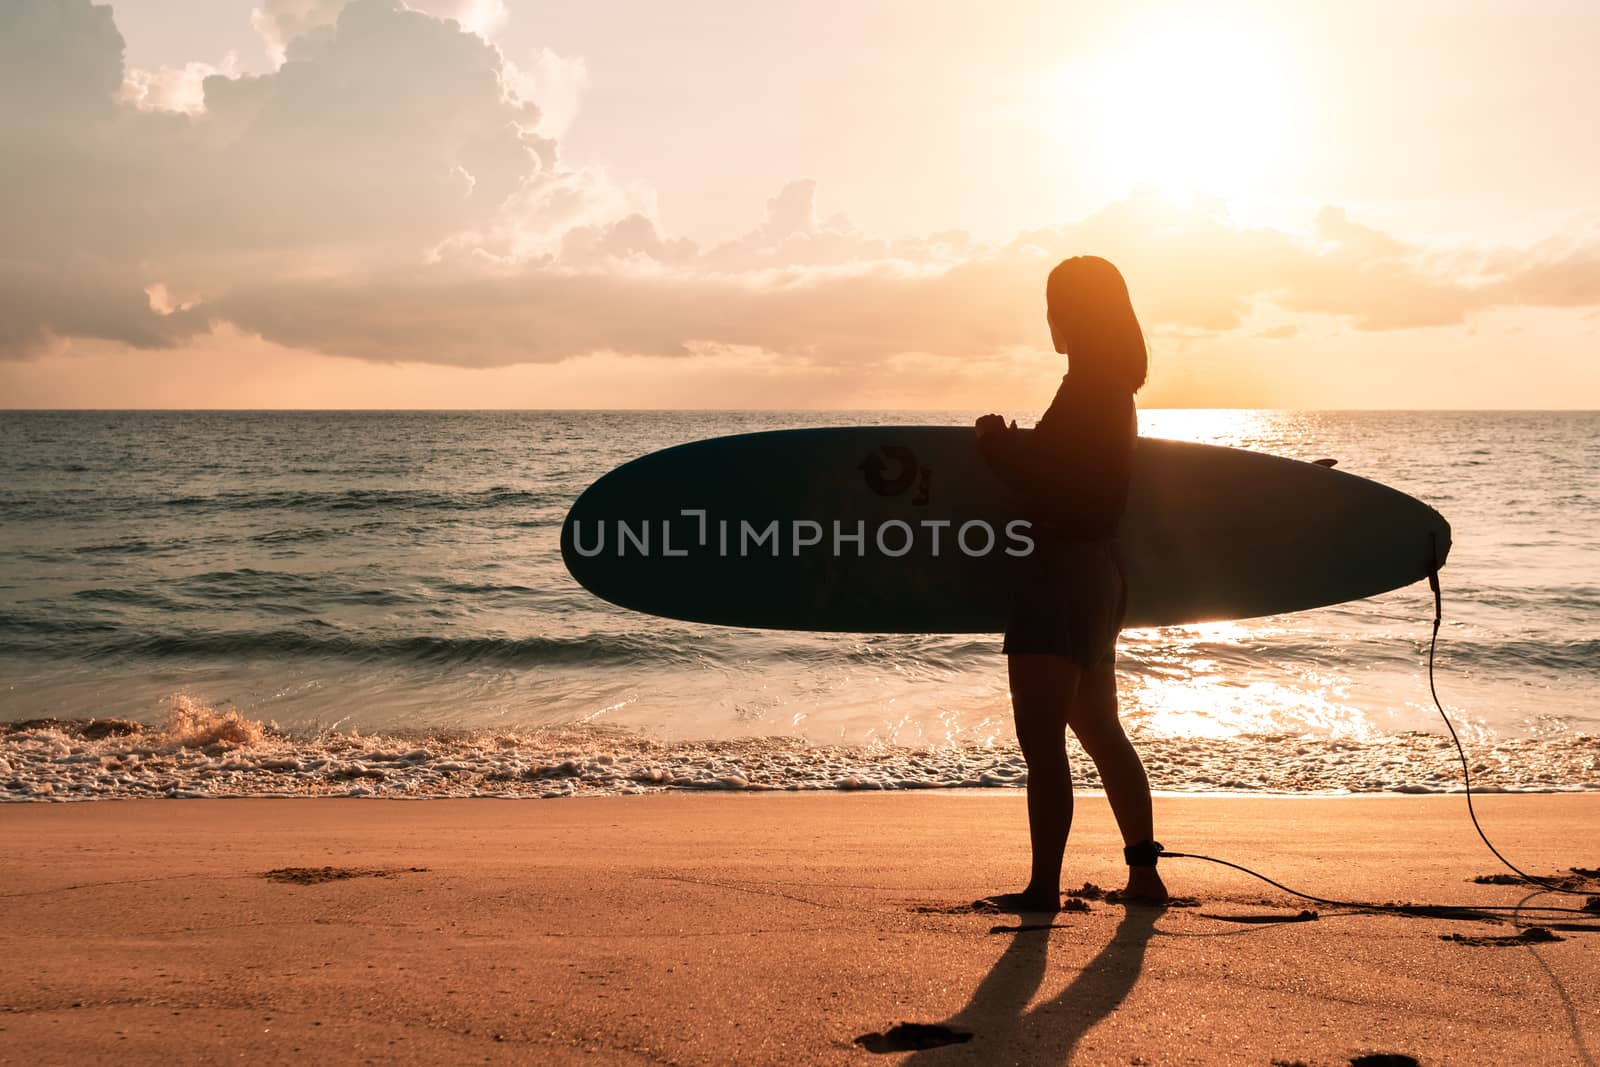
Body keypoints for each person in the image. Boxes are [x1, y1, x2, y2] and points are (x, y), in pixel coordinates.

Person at [972, 255, 1167, 912]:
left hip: (1059, 574)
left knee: (1043, 739)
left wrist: (997, 447)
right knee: (1099, 726)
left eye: (1055, 306)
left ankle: (1043, 889)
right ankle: (1143, 872)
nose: (1048, 319)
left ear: (1076, 315)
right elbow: (1074, 473)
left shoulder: (1087, 390)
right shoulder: (1115, 393)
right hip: (1101, 576)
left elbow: (1053, 483)